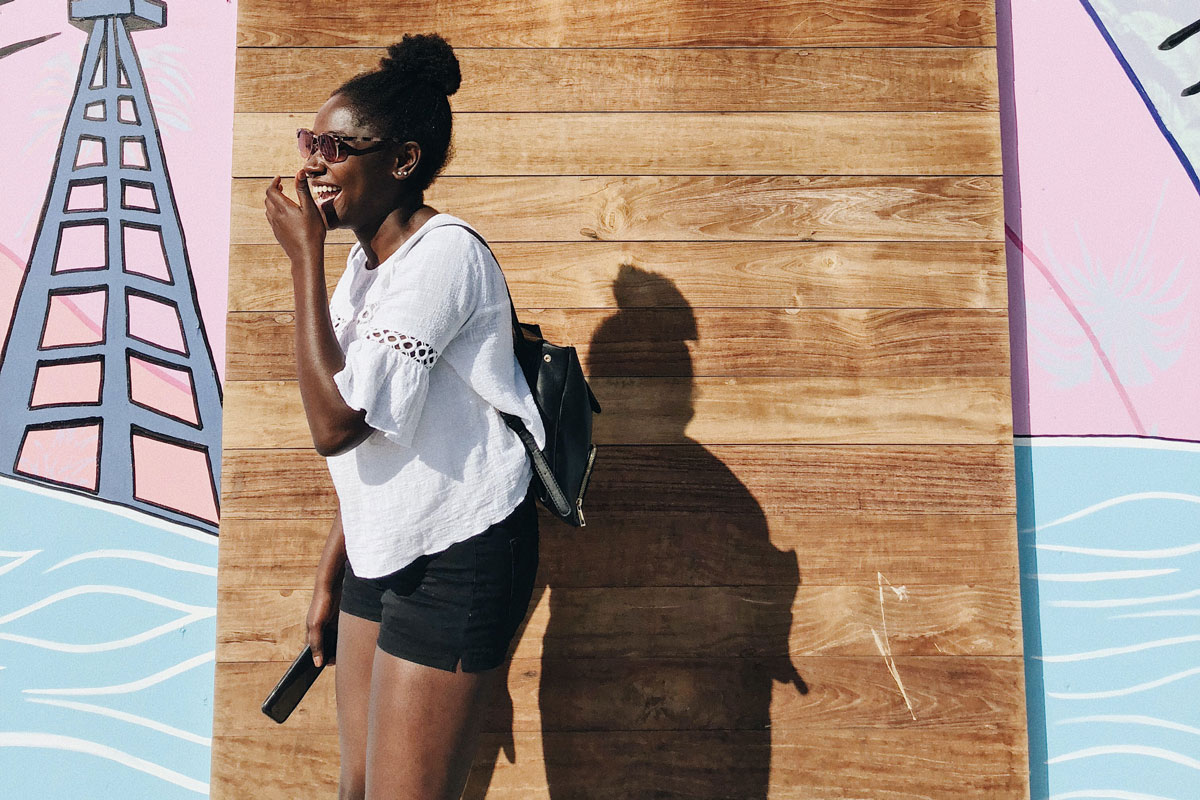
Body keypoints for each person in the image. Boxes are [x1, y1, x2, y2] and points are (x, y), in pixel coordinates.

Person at [263, 33, 546, 800]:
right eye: (307, 141)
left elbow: (338, 423)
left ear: (402, 161)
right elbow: (381, 442)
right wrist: (333, 573)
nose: (313, 161)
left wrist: (302, 261)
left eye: (334, 145)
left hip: (463, 552)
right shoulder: (366, 265)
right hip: (382, 550)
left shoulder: (444, 258)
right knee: (357, 786)